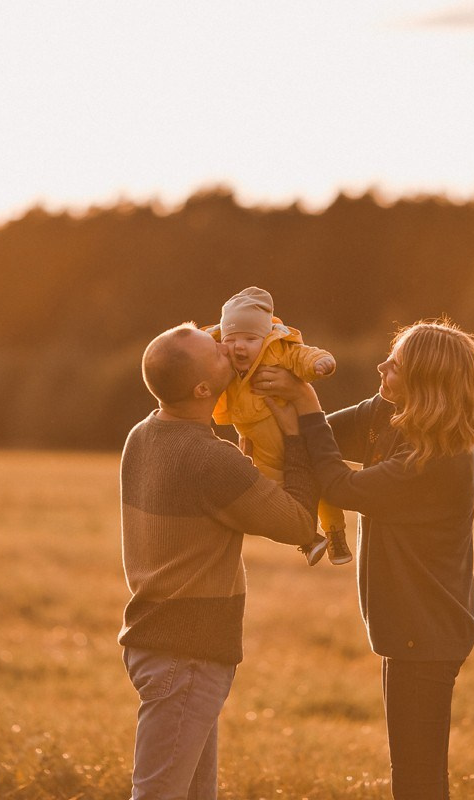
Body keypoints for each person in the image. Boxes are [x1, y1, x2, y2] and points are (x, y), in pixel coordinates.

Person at [252, 319, 474, 800]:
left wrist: (303, 400)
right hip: (409, 629)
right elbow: (319, 437)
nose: (382, 366)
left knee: (418, 779)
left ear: (427, 385)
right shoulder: (388, 414)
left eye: (398, 364)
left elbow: (338, 485)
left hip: (428, 633)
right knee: (412, 773)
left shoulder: (439, 460)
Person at [118, 322, 320, 800]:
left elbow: (182, 368)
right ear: (203, 389)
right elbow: (296, 524)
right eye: (218, 351)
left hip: (157, 640)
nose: (230, 347)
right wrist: (294, 437)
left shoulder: (144, 435)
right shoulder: (211, 461)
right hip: (189, 652)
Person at [204, 286, 351, 566]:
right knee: (270, 500)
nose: (239, 346)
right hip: (260, 448)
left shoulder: (278, 351)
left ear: (265, 336)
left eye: (249, 338)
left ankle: (334, 533)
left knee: (323, 490)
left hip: (296, 435)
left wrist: (320, 362)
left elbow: (301, 356)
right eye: (231, 339)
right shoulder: (225, 362)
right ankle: (307, 540)